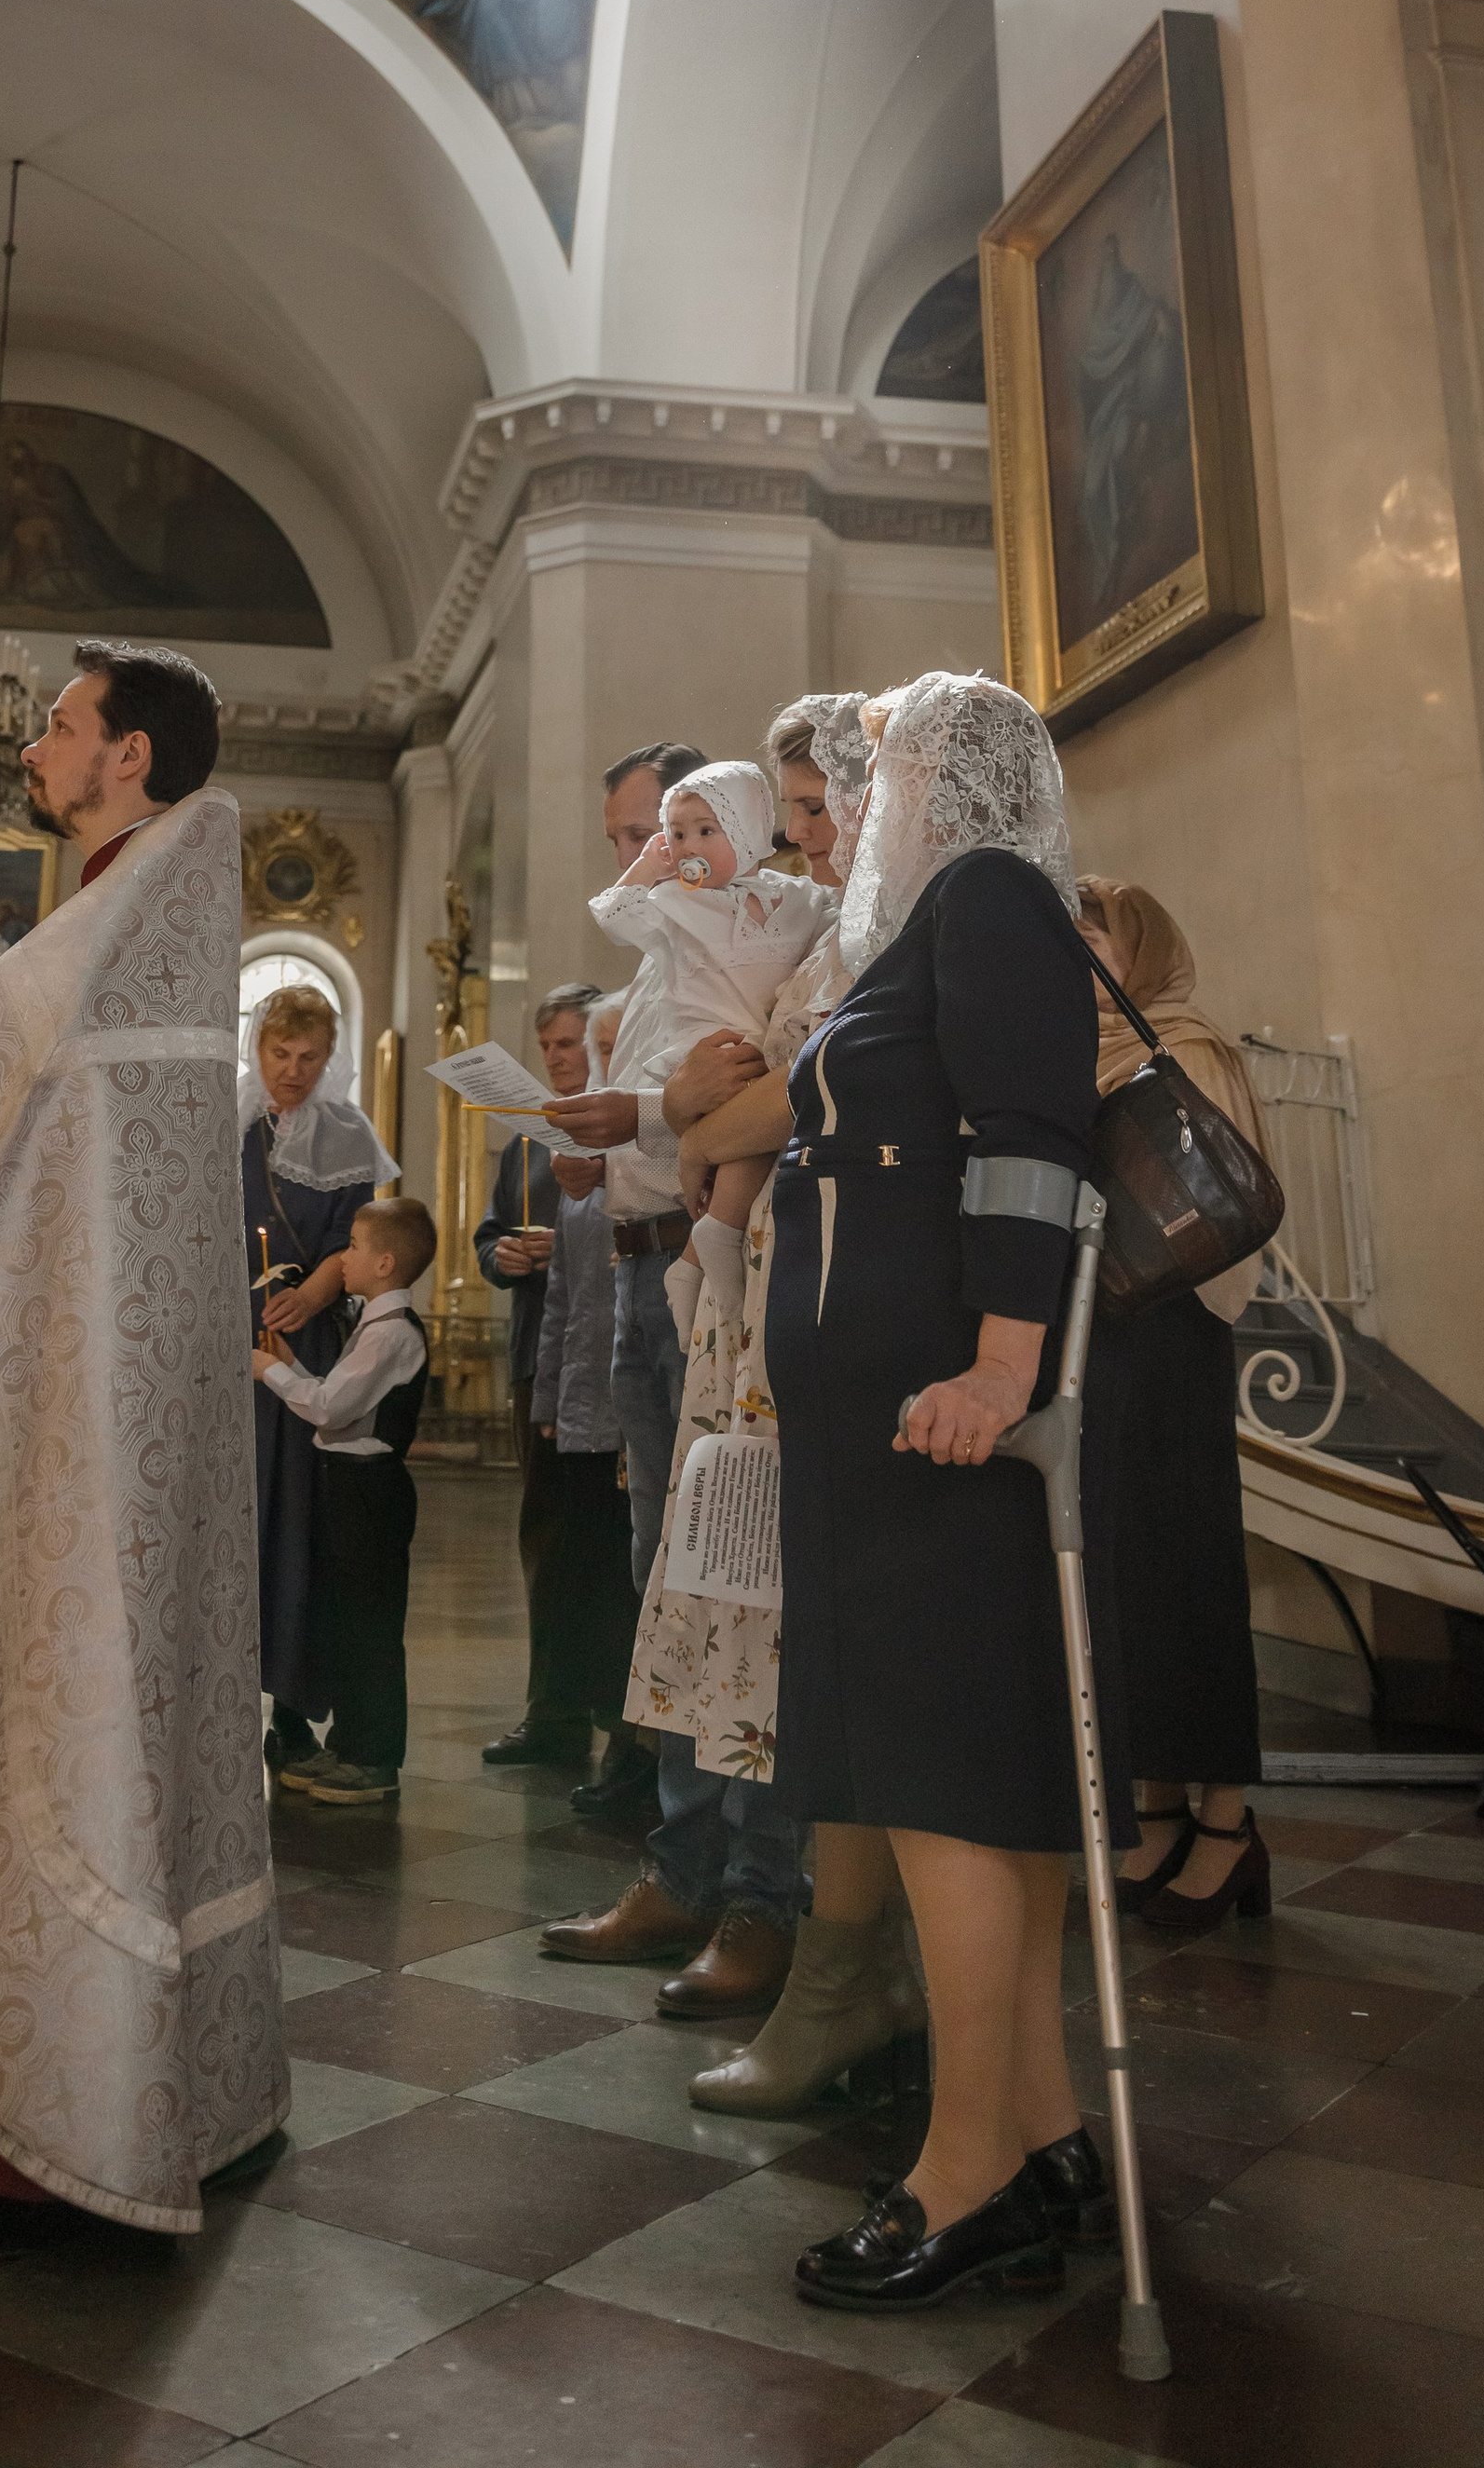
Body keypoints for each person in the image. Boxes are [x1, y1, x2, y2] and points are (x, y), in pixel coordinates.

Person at [0, 638, 286, 2226]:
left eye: (63, 724)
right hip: (70, 1370)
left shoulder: (145, 890)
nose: (36, 744)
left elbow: (3, 1040)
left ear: (131, 754)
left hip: (87, 1391)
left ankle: (19, 2108)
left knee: (45, 1672)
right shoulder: (134, 893)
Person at [765, 673, 1125, 2317]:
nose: (876, 789)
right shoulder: (931, 924)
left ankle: (965, 2173)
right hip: (891, 1421)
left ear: (955, 779)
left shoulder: (988, 901)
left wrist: (996, 1366)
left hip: (938, 1417)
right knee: (965, 1771)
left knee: (948, 1779)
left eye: (898, 762)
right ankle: (1043, 2129)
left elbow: (1031, 1137)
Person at [649, 695, 929, 2122]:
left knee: (821, 1638)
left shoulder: (901, 932)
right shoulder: (832, 935)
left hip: (849, 1315)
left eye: (819, 810)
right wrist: (695, 1127)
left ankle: (829, 1944)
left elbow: (794, 1101)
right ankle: (797, 1932)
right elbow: (740, 1097)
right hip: (774, 1304)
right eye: (802, 811)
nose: (809, 839)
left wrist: (700, 1131)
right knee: (770, 1620)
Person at [538, 740, 803, 2027]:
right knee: (672, 1580)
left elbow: (736, 1094)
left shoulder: (773, 928)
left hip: (728, 1274)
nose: (658, 854)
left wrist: (648, 1110)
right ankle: (683, 1863)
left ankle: (759, 1886)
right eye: (644, 835)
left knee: (735, 1577)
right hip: (646, 1269)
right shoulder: (663, 946)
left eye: (676, 827)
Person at [1079, 874, 1273, 1934]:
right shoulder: (1081, 1048)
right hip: (1106, 1332)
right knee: (1128, 1575)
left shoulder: (1185, 1043)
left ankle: (1230, 1827)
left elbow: (1224, 1214)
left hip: (1174, 1334)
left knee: (1190, 1574)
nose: (1078, 945)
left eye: (1093, 927)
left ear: (1139, 943)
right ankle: (1154, 1800)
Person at [477, 983, 648, 1816]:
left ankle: (623, 1731)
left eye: (573, 1045)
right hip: (547, 1363)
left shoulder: (624, 1142)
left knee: (607, 1553)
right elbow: (489, 1234)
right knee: (551, 1543)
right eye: (547, 1047)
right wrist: (502, 1254)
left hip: (612, 1373)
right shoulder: (534, 1137)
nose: (559, 1058)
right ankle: (555, 1712)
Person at [589, 757, 834, 1338]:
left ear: (745, 830)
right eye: (672, 835)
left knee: (742, 1135)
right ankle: (712, 1244)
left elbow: (837, 911)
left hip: (751, 1061)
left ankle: (710, 1245)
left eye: (643, 837)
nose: (675, 849)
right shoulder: (674, 910)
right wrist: (650, 866)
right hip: (634, 1247)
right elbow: (613, 910)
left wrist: (644, 1113)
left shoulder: (792, 896)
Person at [240, 979, 398, 1772]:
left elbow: (356, 1237)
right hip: (227, 1346)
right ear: (257, 1048)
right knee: (236, 1520)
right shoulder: (226, 1121)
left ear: (328, 1058)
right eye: (279, 1053)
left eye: (308, 1057)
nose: (291, 1070)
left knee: (299, 1526)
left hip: (306, 1341)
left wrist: (312, 1292)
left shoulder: (345, 1132)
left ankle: (294, 1708)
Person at [253, 1198, 436, 1804]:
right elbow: (334, 1396)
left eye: (353, 1247)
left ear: (384, 1263)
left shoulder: (391, 1335)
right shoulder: (374, 1325)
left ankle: (374, 1757)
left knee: (371, 1627)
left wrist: (269, 1373)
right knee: (349, 1620)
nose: (343, 1257)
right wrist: (288, 1366)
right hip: (348, 1483)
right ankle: (352, 1742)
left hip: (369, 1489)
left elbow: (332, 1408)